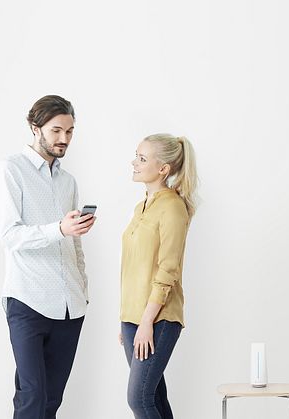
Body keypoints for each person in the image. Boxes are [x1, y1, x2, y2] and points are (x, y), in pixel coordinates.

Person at [0, 95, 96, 419]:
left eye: (70, 132)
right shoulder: (9, 171)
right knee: (32, 396)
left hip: (70, 307)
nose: (64, 139)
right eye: (56, 130)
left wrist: (83, 288)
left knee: (51, 401)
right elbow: (10, 236)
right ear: (35, 128)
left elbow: (74, 243)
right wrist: (58, 228)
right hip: (28, 301)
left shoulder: (68, 182)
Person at [119, 133, 198, 419]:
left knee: (139, 400)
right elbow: (134, 267)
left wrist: (146, 322)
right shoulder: (141, 207)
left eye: (142, 158)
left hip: (158, 319)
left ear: (163, 168)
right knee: (154, 398)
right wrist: (128, 320)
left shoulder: (173, 207)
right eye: (136, 156)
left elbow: (168, 270)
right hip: (133, 318)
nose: (134, 162)